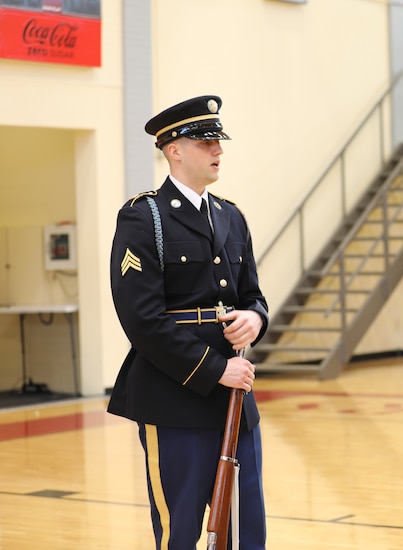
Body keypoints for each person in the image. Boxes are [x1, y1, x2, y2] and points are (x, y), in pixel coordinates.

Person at [107, 95, 269, 550]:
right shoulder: (144, 217)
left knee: (245, 530)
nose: (217, 150)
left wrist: (255, 319)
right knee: (182, 532)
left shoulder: (230, 215)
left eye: (219, 141)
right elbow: (141, 319)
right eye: (204, 141)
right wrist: (217, 369)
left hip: (236, 404)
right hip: (173, 398)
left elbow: (253, 296)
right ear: (173, 149)